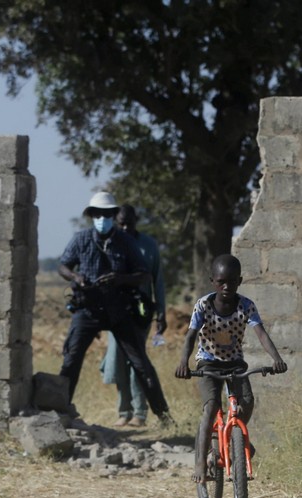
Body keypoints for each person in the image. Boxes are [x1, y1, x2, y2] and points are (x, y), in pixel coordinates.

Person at [56, 191, 173, 424]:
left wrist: (120, 279)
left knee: (141, 364)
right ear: (92, 216)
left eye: (106, 215)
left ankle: (163, 415)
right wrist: (77, 278)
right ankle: (60, 412)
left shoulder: (125, 241)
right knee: (71, 360)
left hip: (119, 311)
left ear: (112, 216)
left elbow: (144, 274)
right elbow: (63, 266)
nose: (102, 219)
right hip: (87, 310)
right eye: (97, 215)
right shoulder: (81, 239)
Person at [174, 254, 287, 483]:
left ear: (240, 281)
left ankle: (237, 439)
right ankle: (200, 463)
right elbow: (190, 336)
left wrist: (276, 358)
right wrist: (183, 362)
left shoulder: (246, 305)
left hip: (235, 362)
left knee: (246, 401)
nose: (226, 287)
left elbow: (261, 334)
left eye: (232, 281)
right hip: (207, 362)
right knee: (211, 407)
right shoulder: (203, 305)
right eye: (221, 282)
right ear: (212, 282)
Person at [99, 204, 167, 427]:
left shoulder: (148, 245)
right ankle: (124, 410)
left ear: (136, 220)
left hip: (140, 312)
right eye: (122, 223)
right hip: (115, 311)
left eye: (129, 222)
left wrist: (161, 313)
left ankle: (140, 412)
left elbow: (157, 280)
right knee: (117, 360)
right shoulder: (111, 243)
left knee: (137, 361)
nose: (126, 227)